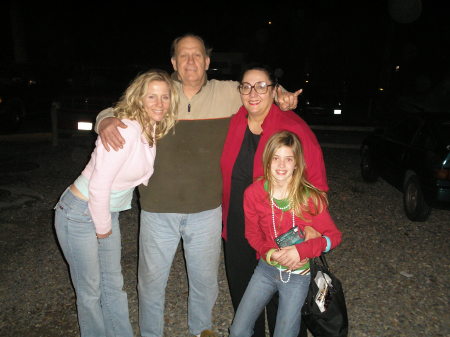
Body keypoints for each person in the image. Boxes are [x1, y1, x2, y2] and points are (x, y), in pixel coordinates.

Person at [94, 34, 301, 337]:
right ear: (174, 62)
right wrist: (104, 122)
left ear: (207, 61)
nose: (190, 61)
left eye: (197, 55)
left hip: (207, 211)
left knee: (204, 283)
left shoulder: (228, 93)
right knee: (151, 284)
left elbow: (261, 90)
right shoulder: (160, 92)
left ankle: (201, 331)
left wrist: (283, 95)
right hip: (157, 210)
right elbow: (117, 109)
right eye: (183, 55)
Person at [54, 69, 178, 337]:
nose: (159, 103)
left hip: (104, 212)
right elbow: (99, 187)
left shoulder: (150, 127)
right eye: (152, 97)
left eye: (165, 97)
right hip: (79, 212)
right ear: (139, 99)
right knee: (90, 291)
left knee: (113, 284)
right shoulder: (127, 129)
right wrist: (103, 230)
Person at [220, 64, 328, 336]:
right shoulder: (235, 121)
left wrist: (313, 227)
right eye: (246, 86)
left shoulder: (292, 126)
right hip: (239, 223)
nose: (253, 92)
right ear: (239, 91)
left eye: (261, 86)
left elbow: (318, 184)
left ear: (274, 90)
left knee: (284, 303)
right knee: (246, 292)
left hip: (282, 227)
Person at [228, 131, 342, 337]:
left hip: (298, 277)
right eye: (276, 158)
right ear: (268, 160)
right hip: (266, 269)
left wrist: (301, 251)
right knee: (238, 329)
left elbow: (334, 237)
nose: (281, 165)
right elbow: (252, 234)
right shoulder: (254, 193)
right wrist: (270, 254)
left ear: (296, 163)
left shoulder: (309, 197)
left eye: (288, 159)